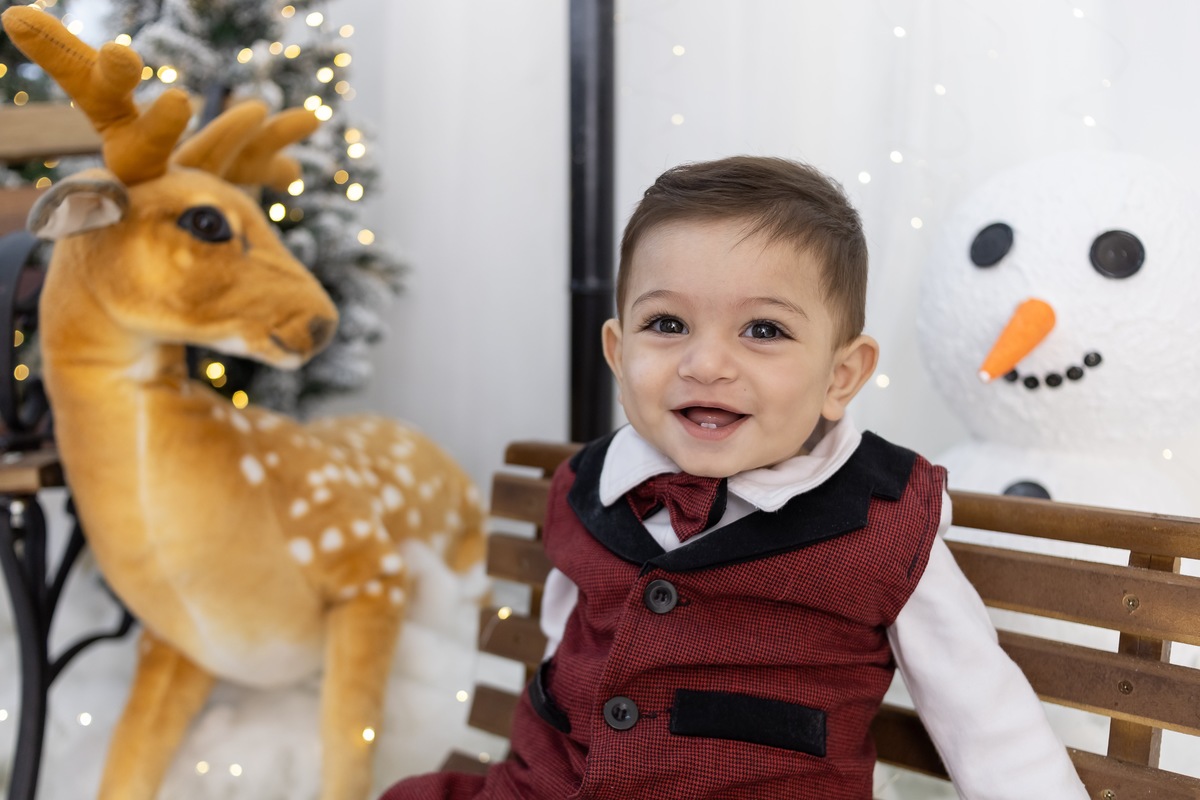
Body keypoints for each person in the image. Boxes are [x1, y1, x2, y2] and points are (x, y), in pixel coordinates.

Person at [380, 156, 1088, 799]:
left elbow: (986, 719)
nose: (707, 365)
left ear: (841, 376)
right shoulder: (589, 485)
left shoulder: (882, 523)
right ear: (619, 354)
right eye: (667, 324)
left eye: (763, 330)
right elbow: (567, 637)